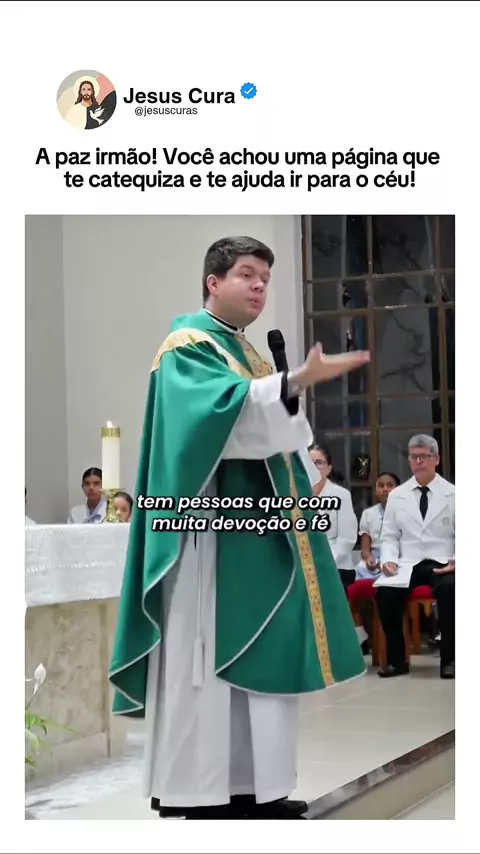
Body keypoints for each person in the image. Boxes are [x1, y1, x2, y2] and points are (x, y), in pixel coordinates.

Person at [109, 236, 370, 820]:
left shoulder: (246, 352)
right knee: (206, 664)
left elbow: (274, 432)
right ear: (214, 282)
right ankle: (201, 790)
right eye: (247, 275)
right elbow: (216, 419)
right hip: (206, 536)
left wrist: (287, 386)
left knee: (260, 652)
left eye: (266, 279)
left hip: (253, 531)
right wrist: (291, 383)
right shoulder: (188, 344)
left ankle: (254, 786)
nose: (259, 287)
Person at [375, 435, 455, 680]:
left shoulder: (454, 494)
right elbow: (389, 535)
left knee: (451, 589)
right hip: (407, 561)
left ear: (436, 459)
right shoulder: (397, 495)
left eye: (424, 456)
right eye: (413, 457)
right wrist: (388, 559)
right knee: (386, 592)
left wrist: (457, 560)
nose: (418, 461)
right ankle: (397, 661)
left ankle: (450, 660)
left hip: (443, 561)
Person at [309, 445, 359, 592]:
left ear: (328, 468)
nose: (313, 468)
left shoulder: (340, 495)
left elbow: (347, 539)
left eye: (319, 463)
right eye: (309, 463)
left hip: (336, 566)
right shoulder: (296, 496)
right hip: (306, 567)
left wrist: (323, 564)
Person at [355, 472, 400, 580]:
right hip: (375, 557)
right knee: (359, 574)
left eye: (390, 485)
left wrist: (388, 560)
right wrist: (369, 558)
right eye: (381, 486)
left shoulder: (405, 513)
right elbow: (365, 549)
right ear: (375, 491)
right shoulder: (368, 514)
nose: (385, 489)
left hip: (397, 558)